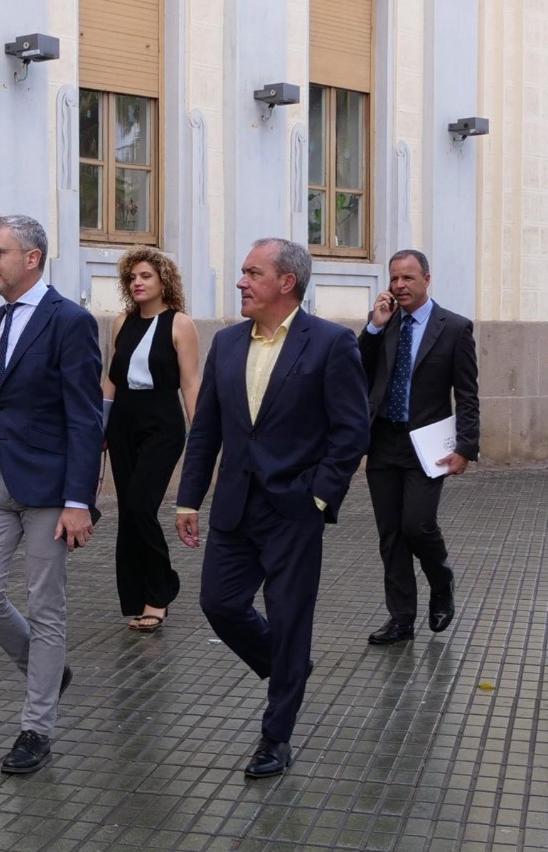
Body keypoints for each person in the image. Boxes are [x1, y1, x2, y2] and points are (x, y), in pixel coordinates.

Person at [175, 238, 370, 779]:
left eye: (251, 272)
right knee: (220, 604)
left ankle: (275, 736)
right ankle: (287, 669)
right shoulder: (228, 343)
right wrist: (188, 498)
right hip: (234, 506)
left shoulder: (330, 343)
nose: (241, 281)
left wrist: (319, 495)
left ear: (286, 282)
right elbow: (207, 427)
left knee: (289, 620)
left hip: (294, 509)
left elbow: (351, 431)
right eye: (241, 272)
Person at [0, 214, 103, 775]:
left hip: (50, 486)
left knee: (46, 608)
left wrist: (78, 500)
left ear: (32, 257)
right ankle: (49, 669)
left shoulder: (72, 322)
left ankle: (36, 728)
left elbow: (85, 419)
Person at [358, 250, 480, 646]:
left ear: (427, 279)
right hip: (384, 441)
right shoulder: (385, 323)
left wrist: (466, 447)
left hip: (426, 445)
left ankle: (440, 581)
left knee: (417, 525)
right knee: (391, 534)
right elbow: (357, 370)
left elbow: (467, 393)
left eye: (408, 278)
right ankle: (401, 618)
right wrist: (374, 329)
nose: (399, 286)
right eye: (394, 279)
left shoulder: (455, 328)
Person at [101, 246, 200, 632]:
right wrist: (100, 426)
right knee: (128, 512)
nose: (137, 283)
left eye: (146, 276)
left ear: (163, 282)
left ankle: (161, 591)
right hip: (123, 422)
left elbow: (191, 384)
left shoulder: (180, 324)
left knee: (142, 507)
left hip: (162, 425)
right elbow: (112, 378)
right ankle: (139, 597)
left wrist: (203, 437)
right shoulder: (122, 321)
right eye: (132, 277)